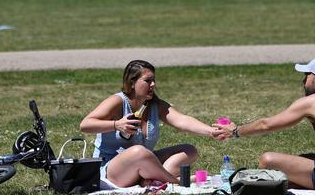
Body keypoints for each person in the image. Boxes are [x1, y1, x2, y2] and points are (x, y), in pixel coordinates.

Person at [213, 57, 315, 190]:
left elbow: (266, 124)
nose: (303, 81)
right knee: (302, 160)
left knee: (268, 161)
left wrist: (235, 131)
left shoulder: (314, 101)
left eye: (307, 76)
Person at [79, 60, 217, 188]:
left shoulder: (154, 105)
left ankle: (152, 180)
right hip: (111, 170)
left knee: (189, 150)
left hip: (143, 160)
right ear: (132, 82)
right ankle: (176, 181)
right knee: (139, 151)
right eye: (147, 81)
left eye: (154, 81)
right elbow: (85, 124)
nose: (153, 85)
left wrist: (212, 131)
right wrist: (116, 125)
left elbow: (182, 121)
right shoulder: (118, 101)